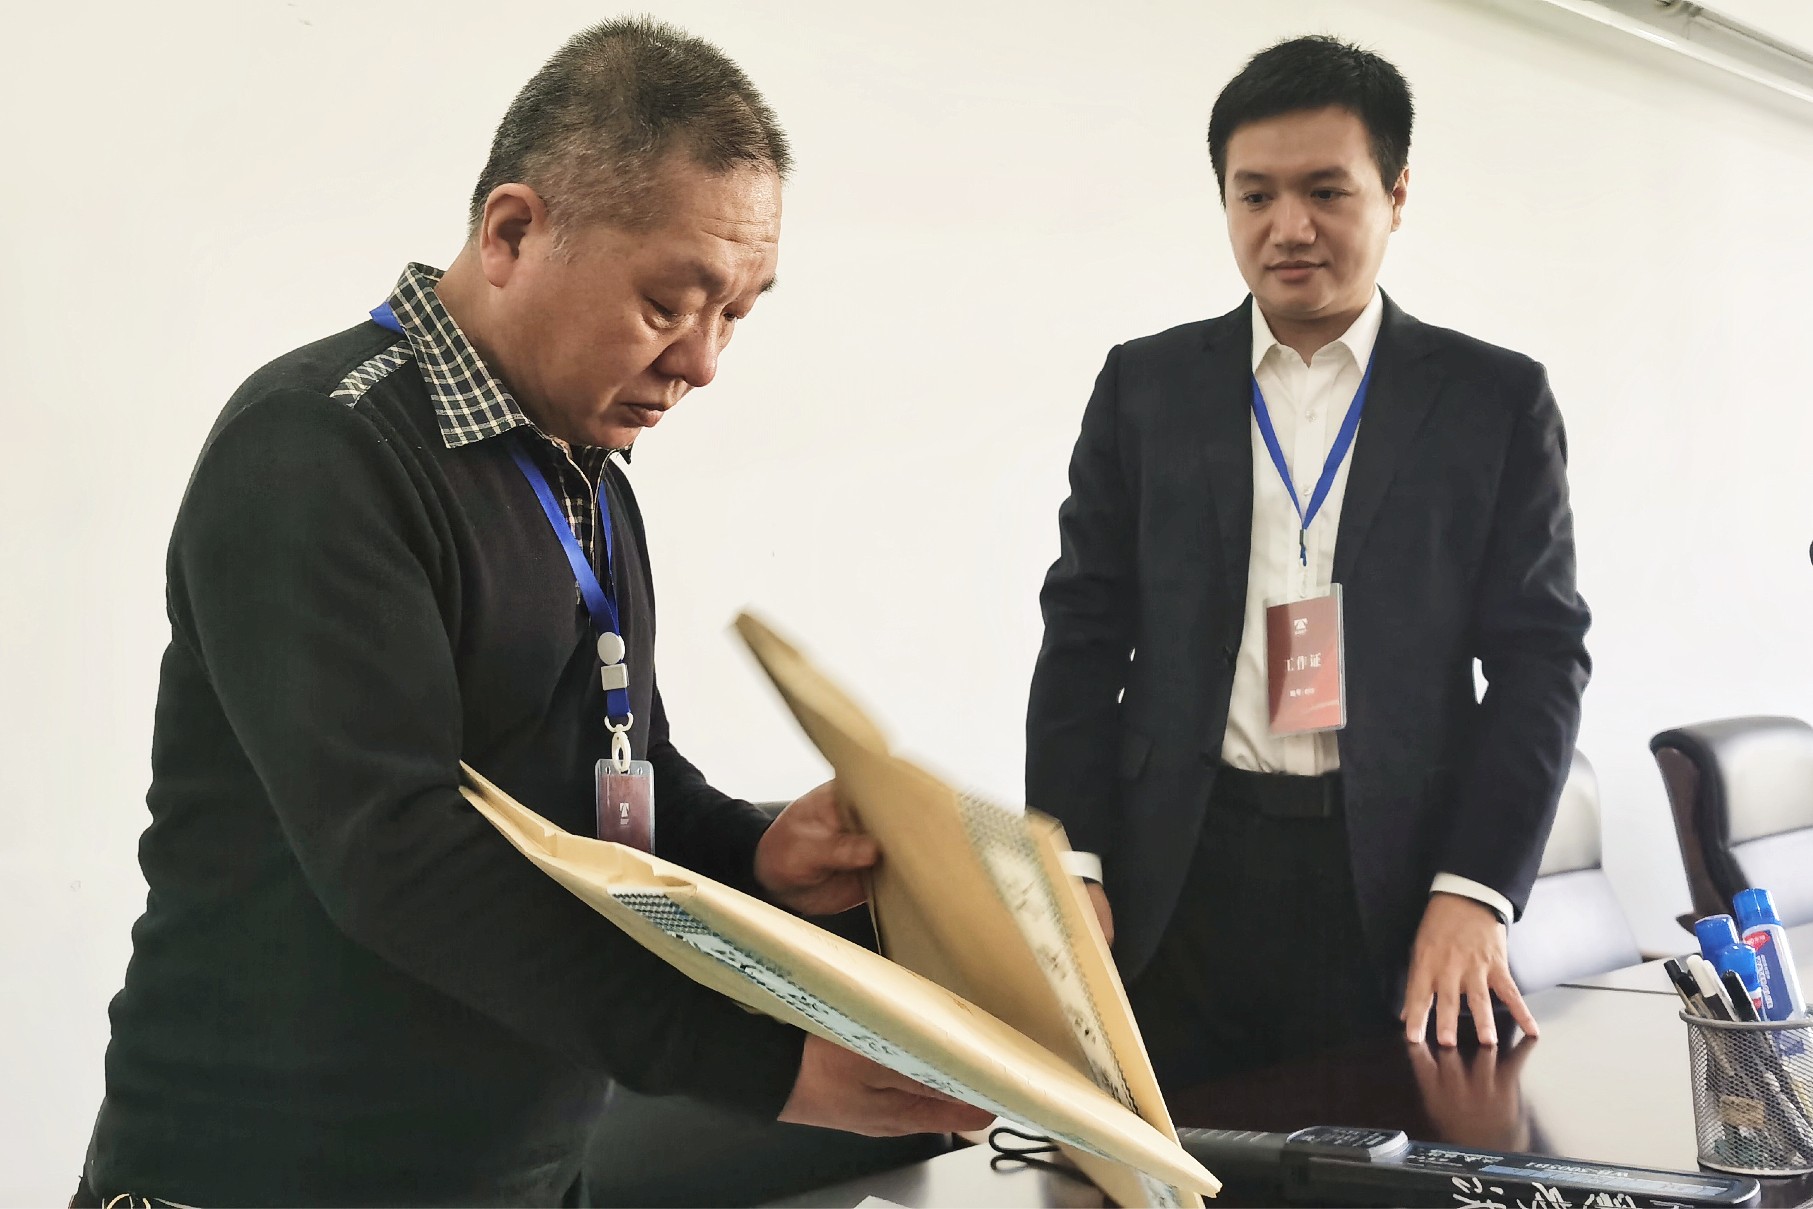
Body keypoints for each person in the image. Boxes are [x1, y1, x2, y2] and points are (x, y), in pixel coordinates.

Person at [78, 18, 987, 1206]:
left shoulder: (578, 470)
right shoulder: (314, 451)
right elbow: (401, 854)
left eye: (737, 313)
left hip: (518, 1173)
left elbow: (615, 780)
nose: (703, 361)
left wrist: (756, 856)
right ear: (511, 232)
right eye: (668, 303)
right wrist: (764, 1060)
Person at [1026, 35, 1591, 1089]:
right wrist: (1071, 858)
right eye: (1255, 195)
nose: (1288, 227)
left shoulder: (1492, 400)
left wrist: (1474, 889)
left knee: (1398, 1153)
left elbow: (1540, 660)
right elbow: (1082, 633)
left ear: (1395, 193)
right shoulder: (1145, 387)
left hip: (1394, 883)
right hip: (1174, 880)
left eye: (1326, 191)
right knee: (1168, 1155)